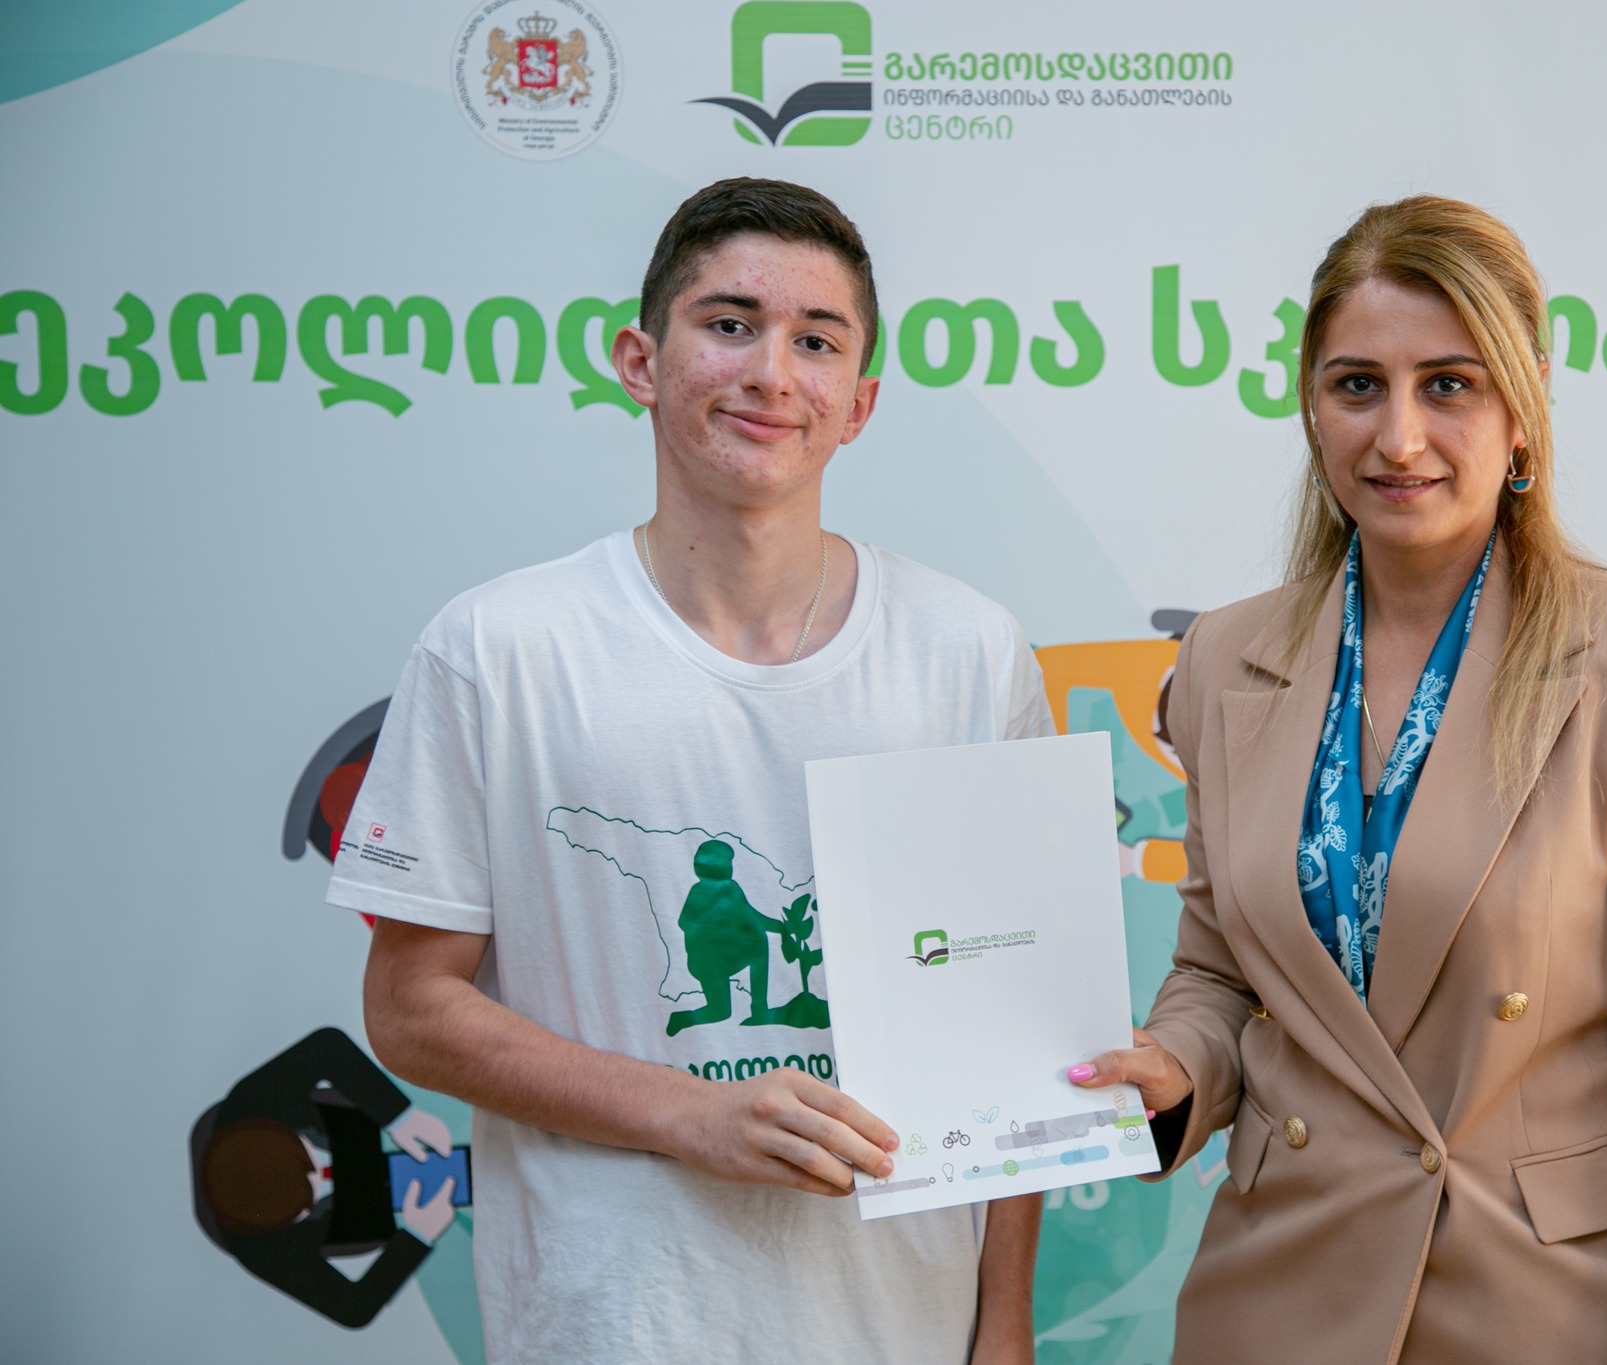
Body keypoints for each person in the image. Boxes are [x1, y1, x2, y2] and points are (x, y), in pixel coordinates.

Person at [330, 177, 1048, 1365]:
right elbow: (407, 1010)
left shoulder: (968, 652)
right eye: (728, 324)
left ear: (859, 402)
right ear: (640, 360)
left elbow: (1008, 1030)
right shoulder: (499, 648)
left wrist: (1005, 1322)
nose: (771, 373)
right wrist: (688, 1113)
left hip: (901, 1331)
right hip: (608, 1329)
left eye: (815, 341)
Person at [1074, 195, 1607, 1361]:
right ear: (1311, 406)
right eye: (1357, 385)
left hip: (1535, 1315)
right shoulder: (1221, 657)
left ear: (1524, 407)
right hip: (1273, 1303)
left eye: (1447, 385)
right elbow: (1219, 972)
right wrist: (1172, 1068)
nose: (1397, 437)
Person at [190, 1027, 459, 1328]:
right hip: (356, 1219)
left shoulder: (252, 1100)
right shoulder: (263, 1253)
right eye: (312, 1193)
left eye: (314, 1165)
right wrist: (417, 1235)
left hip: (344, 1126)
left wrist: (401, 1117)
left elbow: (327, 1046)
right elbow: (353, 1309)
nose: (328, 1175)